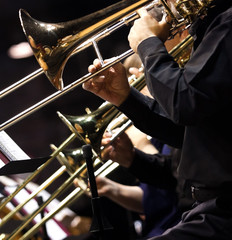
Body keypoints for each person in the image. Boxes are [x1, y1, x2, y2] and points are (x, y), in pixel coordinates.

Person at [83, 0, 232, 239]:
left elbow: (185, 104)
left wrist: (148, 45)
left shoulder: (227, 24)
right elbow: (188, 132)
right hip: (206, 209)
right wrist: (125, 99)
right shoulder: (213, 26)